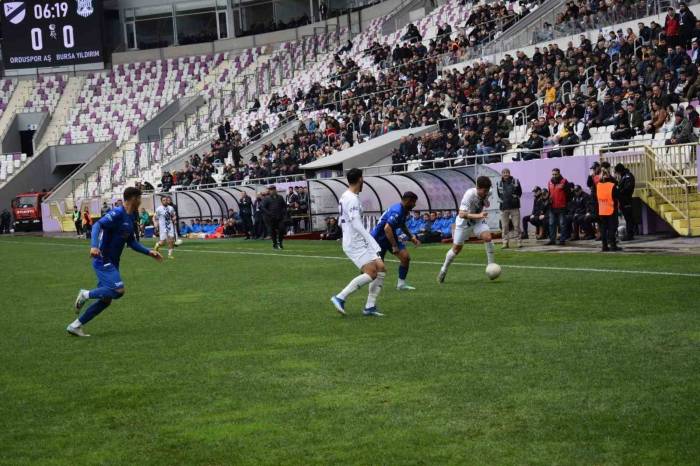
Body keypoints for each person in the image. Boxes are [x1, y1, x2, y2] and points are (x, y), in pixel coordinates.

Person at [67, 187, 163, 337]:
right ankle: (85, 294)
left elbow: (131, 242)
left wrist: (149, 252)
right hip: (103, 258)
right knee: (119, 291)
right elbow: (98, 225)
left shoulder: (131, 217)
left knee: (106, 300)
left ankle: (75, 325)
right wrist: (93, 246)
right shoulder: (118, 213)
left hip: (113, 262)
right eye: (139, 198)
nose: (140, 201)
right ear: (133, 198)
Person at [330, 168, 386, 317]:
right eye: (363, 178)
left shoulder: (346, 196)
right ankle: (340, 297)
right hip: (355, 242)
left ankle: (370, 306)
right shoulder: (352, 199)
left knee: (381, 268)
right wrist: (371, 241)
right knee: (372, 272)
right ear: (360, 179)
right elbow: (356, 224)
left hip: (357, 240)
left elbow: (343, 222)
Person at [437, 176, 496, 283]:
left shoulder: (488, 191)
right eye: (484, 191)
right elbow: (462, 214)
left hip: (477, 221)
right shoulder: (469, 195)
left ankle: (491, 266)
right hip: (464, 223)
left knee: (488, 237)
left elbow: (486, 203)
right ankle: (443, 269)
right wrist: (479, 215)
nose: (486, 192)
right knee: (456, 249)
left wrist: (485, 200)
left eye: (487, 190)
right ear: (477, 188)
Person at [371, 192, 421, 291]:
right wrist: (394, 246)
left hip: (390, 236)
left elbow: (402, 225)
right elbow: (387, 228)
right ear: (408, 201)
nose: (414, 205)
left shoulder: (404, 210)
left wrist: (411, 237)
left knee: (405, 258)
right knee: (377, 268)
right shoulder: (397, 210)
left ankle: (401, 285)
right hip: (378, 239)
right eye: (413, 202)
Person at [596, 169, 622, 252]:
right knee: (612, 229)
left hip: (602, 210)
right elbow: (618, 195)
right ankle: (613, 246)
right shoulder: (612, 185)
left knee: (603, 230)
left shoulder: (598, 185)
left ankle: (604, 246)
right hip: (611, 209)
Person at [496, 168, 522, 248]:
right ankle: (505, 243)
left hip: (514, 207)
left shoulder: (515, 181)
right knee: (504, 227)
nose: (505, 174)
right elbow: (499, 194)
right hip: (504, 208)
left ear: (509, 173)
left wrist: (514, 199)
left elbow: (519, 192)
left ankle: (519, 242)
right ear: (502, 174)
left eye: (507, 172)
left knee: (516, 225)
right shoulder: (499, 183)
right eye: (504, 173)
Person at [547, 168, 571, 246]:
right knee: (551, 224)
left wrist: (565, 203)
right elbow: (549, 193)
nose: (554, 176)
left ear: (559, 173)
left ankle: (562, 240)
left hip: (562, 206)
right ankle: (552, 240)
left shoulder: (564, 181)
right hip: (552, 206)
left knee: (562, 224)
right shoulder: (549, 182)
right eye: (553, 174)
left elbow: (569, 194)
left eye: (555, 174)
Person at [614, 163, 636, 241]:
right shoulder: (623, 176)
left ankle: (630, 234)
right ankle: (629, 233)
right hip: (623, 200)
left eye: (617, 172)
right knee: (627, 218)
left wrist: (620, 192)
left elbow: (628, 188)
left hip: (626, 200)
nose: (617, 174)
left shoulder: (627, 176)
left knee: (629, 218)